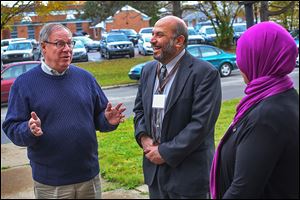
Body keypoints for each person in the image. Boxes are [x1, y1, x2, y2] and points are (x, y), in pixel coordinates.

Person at [2, 23, 126, 199]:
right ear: (43, 47)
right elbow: (11, 127)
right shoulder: (24, 84)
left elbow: (99, 117)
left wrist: (107, 120)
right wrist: (28, 130)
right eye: (60, 43)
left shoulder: (85, 78)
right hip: (52, 182)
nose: (67, 49)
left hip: (88, 176)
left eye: (70, 43)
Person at [133, 15, 222, 199]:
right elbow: (139, 110)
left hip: (188, 176)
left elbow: (200, 125)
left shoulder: (204, 73)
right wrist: (143, 138)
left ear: (179, 41)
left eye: (159, 35)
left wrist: (164, 152)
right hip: (155, 173)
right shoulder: (148, 71)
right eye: (152, 34)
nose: (152, 40)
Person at [210, 21, 299, 199]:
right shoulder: (282, 94)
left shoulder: (267, 116)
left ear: (259, 58)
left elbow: (243, 190)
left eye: (243, 55)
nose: (239, 62)